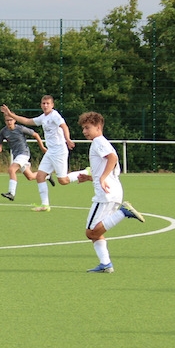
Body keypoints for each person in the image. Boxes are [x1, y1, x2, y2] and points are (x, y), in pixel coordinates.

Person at [75, 112, 145, 272]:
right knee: (96, 231)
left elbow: (112, 158)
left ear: (98, 127)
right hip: (112, 192)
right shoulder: (100, 142)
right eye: (83, 128)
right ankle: (105, 264)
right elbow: (105, 166)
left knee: (91, 232)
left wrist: (101, 178)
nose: (84, 131)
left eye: (87, 127)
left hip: (105, 194)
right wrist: (90, 178)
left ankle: (123, 212)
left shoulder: (98, 141)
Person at [0, 95, 87, 212]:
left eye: (47, 103)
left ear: (52, 105)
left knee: (63, 180)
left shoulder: (54, 115)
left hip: (59, 151)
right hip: (51, 152)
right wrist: (10, 114)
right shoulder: (43, 117)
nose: (45, 105)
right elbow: (27, 121)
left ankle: (86, 172)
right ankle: (45, 205)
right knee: (40, 176)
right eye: (43, 103)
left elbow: (64, 126)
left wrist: (68, 139)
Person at [0, 114, 45, 201]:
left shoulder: (20, 128)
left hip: (23, 153)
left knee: (11, 170)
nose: (9, 122)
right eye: (7, 120)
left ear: (15, 120)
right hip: (16, 155)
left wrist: (42, 147)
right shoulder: (4, 131)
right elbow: (0, 140)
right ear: (5, 121)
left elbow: (36, 134)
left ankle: (11, 193)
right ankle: (47, 176)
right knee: (30, 177)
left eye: (11, 120)